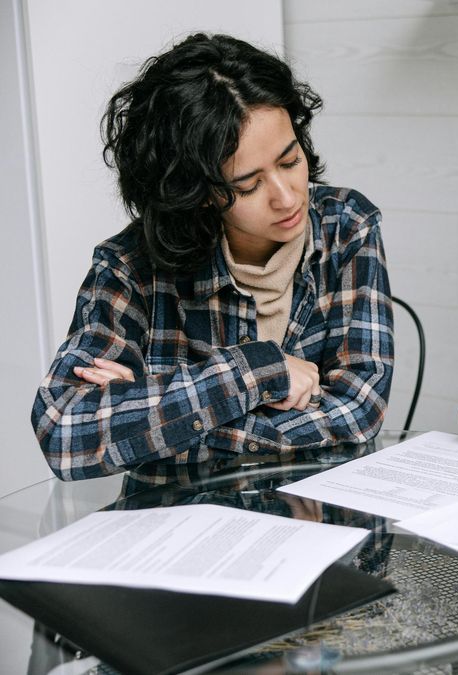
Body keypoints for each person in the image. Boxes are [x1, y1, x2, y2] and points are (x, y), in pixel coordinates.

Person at [32, 34, 394, 481]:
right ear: (198, 191)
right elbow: (65, 433)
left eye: (289, 161)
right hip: (174, 518)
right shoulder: (130, 266)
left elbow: (359, 410)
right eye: (248, 185)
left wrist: (158, 421)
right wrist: (257, 370)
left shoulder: (348, 227)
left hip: (312, 509)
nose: (287, 198)